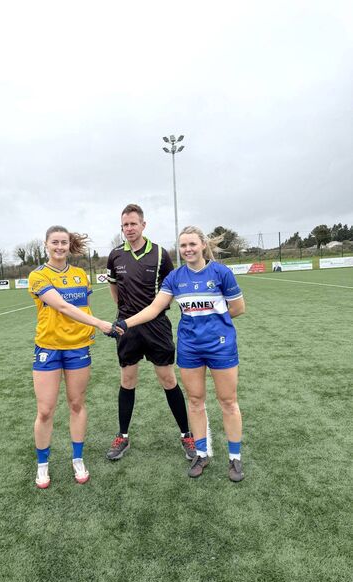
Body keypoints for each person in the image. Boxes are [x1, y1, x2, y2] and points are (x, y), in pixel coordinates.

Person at [113, 226, 246, 482]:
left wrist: (214, 320)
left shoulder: (221, 273)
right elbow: (154, 308)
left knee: (228, 402)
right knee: (195, 401)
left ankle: (234, 458)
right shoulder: (175, 277)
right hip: (189, 347)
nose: (187, 250)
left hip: (220, 345)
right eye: (183, 246)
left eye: (192, 244)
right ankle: (201, 453)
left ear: (203, 245)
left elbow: (238, 308)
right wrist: (126, 323)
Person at [105, 204, 196, 462]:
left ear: (143, 225)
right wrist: (125, 314)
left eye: (133, 224)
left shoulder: (159, 254)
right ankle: (123, 436)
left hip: (156, 326)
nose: (129, 229)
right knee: (127, 381)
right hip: (127, 328)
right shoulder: (114, 256)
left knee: (168, 379)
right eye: (125, 225)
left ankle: (186, 434)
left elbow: (170, 289)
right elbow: (114, 291)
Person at [28, 225, 113, 488]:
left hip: (78, 348)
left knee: (77, 404)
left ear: (69, 245)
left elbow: (82, 307)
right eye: (55, 242)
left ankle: (78, 459)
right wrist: (99, 323)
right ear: (46, 245)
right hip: (49, 348)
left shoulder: (80, 275)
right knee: (45, 410)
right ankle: (43, 465)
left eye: (64, 242)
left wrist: (88, 330)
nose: (60, 247)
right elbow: (63, 306)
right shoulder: (38, 275)